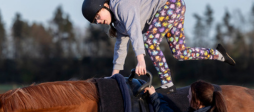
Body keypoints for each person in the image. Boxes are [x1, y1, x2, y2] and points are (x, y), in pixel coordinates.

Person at [82, 0, 236, 93]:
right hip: (171, 8)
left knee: (150, 41)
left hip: (169, 4)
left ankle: (167, 84)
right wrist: (115, 74)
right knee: (179, 52)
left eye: (98, 16)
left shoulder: (122, 5)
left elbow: (135, 31)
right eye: (95, 21)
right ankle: (219, 54)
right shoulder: (118, 24)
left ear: (105, 5)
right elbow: (120, 47)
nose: (98, 21)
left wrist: (140, 60)